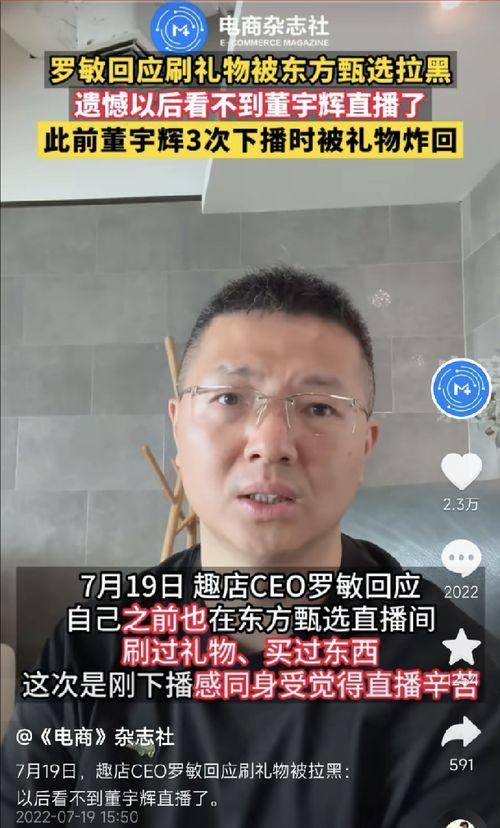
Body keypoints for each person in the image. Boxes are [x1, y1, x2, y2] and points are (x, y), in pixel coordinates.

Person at [2, 266, 499, 827]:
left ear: (365, 446)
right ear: (178, 430)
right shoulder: (89, 644)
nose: (271, 443)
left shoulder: (458, 675)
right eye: (229, 397)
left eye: (319, 407)